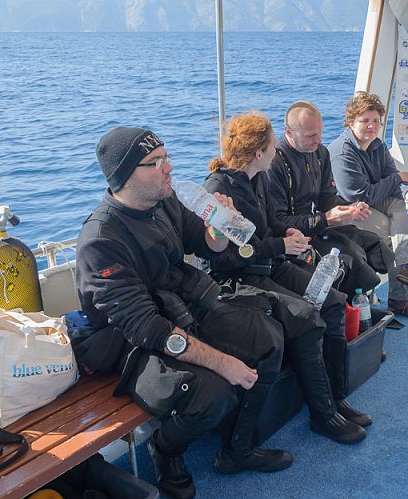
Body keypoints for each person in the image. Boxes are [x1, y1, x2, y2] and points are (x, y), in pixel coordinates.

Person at [75, 127, 292, 499]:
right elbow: (147, 328)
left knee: (267, 338)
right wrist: (222, 362)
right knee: (213, 395)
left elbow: (207, 247)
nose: (169, 168)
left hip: (181, 307)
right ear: (125, 176)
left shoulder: (165, 200)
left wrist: (219, 226)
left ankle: (237, 450)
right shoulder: (102, 240)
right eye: (155, 162)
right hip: (130, 342)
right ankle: (166, 448)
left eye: (166, 157)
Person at [203, 112, 371, 442]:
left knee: (334, 303)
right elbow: (225, 256)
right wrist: (280, 244)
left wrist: (288, 233)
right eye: (271, 147)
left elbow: (270, 224)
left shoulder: (259, 179)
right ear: (259, 152)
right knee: (308, 319)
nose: (276, 151)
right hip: (241, 278)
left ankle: (336, 399)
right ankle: (323, 415)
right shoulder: (221, 189)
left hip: (270, 264)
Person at [269, 100, 404, 299]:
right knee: (353, 257)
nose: (318, 140)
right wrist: (326, 219)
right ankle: (350, 304)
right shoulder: (275, 163)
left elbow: (328, 200)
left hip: (318, 226)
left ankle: (387, 299)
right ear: (289, 132)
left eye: (320, 132)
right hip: (294, 237)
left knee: (375, 245)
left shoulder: (320, 153)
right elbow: (278, 221)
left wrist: (350, 209)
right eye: (310, 135)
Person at [328, 91, 408, 318]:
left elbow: (392, 186)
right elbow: (360, 195)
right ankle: (401, 297)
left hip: (373, 200)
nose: (371, 126)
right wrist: (397, 178)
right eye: (365, 120)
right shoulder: (342, 152)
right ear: (351, 122)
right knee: (395, 234)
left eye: (376, 121)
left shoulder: (377, 145)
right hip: (350, 209)